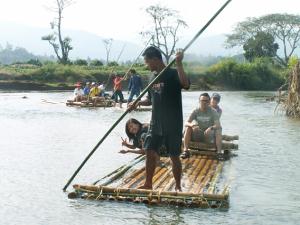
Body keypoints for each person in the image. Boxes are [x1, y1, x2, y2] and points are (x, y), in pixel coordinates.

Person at [128, 46, 190, 191]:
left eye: (147, 62)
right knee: (149, 151)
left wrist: (179, 63)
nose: (146, 65)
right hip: (155, 123)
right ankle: (148, 184)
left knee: (174, 155)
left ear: (155, 60)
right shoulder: (152, 77)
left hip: (172, 122)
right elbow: (150, 100)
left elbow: (185, 84)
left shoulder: (173, 73)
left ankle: (178, 186)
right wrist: (136, 103)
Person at [181, 93, 222, 159]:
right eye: (202, 100)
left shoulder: (213, 111)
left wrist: (211, 128)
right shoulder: (195, 111)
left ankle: (219, 153)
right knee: (188, 127)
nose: (204, 102)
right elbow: (186, 122)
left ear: (209, 102)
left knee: (218, 130)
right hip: (198, 134)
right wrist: (192, 125)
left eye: (206, 101)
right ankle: (186, 151)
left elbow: (218, 125)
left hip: (208, 136)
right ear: (199, 101)